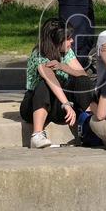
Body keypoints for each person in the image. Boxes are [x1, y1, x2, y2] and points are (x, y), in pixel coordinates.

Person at [19, 18, 91, 149]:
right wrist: (66, 104)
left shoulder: (67, 52)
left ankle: (91, 122)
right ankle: (37, 135)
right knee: (44, 85)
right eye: (68, 38)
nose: (72, 41)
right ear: (56, 41)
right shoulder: (39, 54)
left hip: (58, 106)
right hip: (35, 105)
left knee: (82, 80)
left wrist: (63, 66)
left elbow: (82, 74)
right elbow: (50, 78)